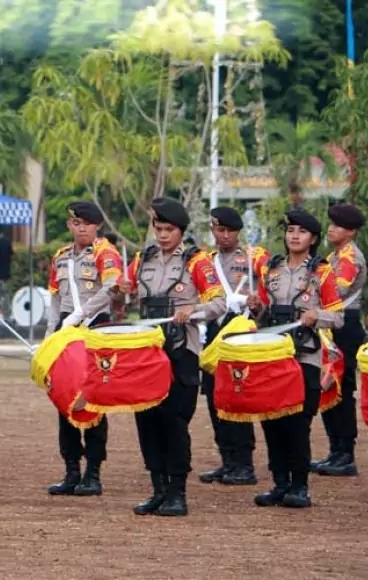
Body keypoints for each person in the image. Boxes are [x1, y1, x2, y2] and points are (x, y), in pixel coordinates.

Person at [114, 197, 226, 517]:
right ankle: (158, 489)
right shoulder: (144, 258)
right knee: (146, 420)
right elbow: (124, 291)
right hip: (147, 352)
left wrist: (193, 311)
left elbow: (219, 303)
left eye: (169, 230)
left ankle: (177, 492)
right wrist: (119, 290)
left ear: (181, 231)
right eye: (158, 228)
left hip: (180, 350)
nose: (162, 235)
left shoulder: (196, 262)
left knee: (174, 421)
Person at [246, 209, 344, 508]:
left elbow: (339, 317)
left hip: (305, 356)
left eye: (301, 232)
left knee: (297, 423)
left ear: (312, 238)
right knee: (271, 420)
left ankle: (299, 486)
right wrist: (255, 308)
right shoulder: (271, 269)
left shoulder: (322, 272)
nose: (294, 236)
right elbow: (263, 313)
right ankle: (279, 483)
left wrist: (318, 315)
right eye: (290, 231)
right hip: (273, 354)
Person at [44, 202, 122, 497]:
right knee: (64, 398)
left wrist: (81, 314)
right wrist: (50, 332)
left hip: (94, 327)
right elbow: (54, 296)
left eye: (87, 224)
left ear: (97, 226)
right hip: (66, 329)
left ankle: (93, 471)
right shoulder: (61, 257)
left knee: (93, 399)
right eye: (76, 224)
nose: (81, 229)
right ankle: (71, 469)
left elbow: (110, 289)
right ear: (69, 225)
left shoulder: (106, 252)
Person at [198, 206, 270, 486]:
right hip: (215, 329)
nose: (224, 235)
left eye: (229, 231)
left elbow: (273, 288)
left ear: (238, 232)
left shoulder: (255, 257)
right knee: (216, 397)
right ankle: (227, 459)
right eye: (219, 230)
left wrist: (259, 304)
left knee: (238, 395)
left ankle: (244, 463)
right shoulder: (206, 260)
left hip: (242, 329)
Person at [311, 203, 366, 476]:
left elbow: (335, 291)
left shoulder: (349, 258)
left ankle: (346, 453)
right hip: (331, 325)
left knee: (342, 390)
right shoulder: (334, 256)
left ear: (351, 231)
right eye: (331, 223)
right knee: (328, 387)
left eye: (339, 225)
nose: (331, 228)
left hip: (345, 326)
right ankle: (335, 450)